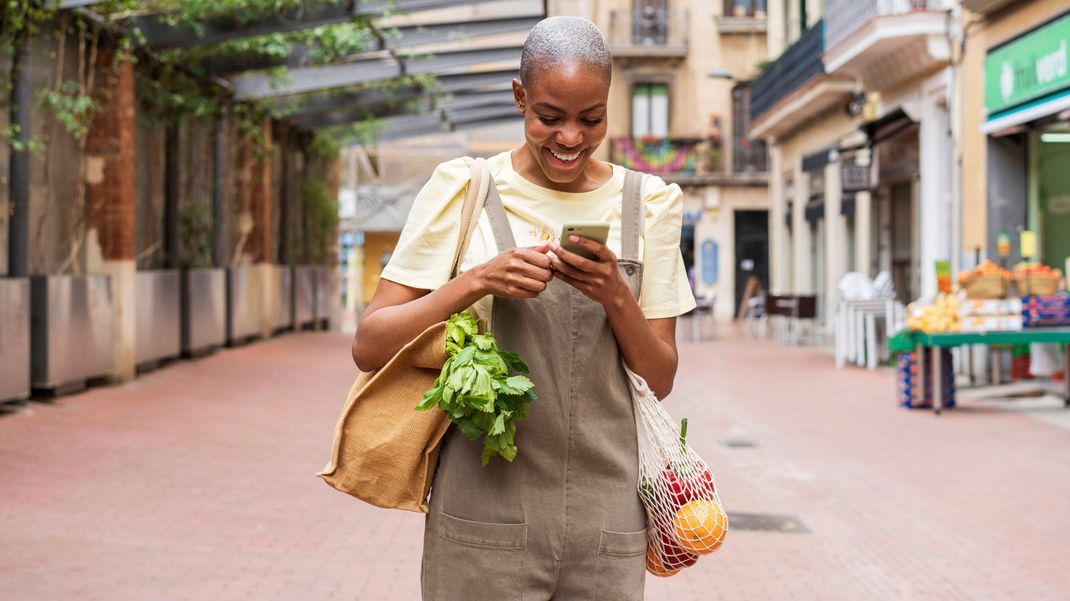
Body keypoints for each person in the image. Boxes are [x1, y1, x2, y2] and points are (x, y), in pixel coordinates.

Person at [351, 16, 695, 601]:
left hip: (607, 518)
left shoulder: (650, 203)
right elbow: (370, 344)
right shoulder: (466, 189)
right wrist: (478, 280)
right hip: (482, 508)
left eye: (591, 119)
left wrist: (615, 292)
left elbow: (659, 377)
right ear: (520, 98)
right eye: (549, 116)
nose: (570, 138)